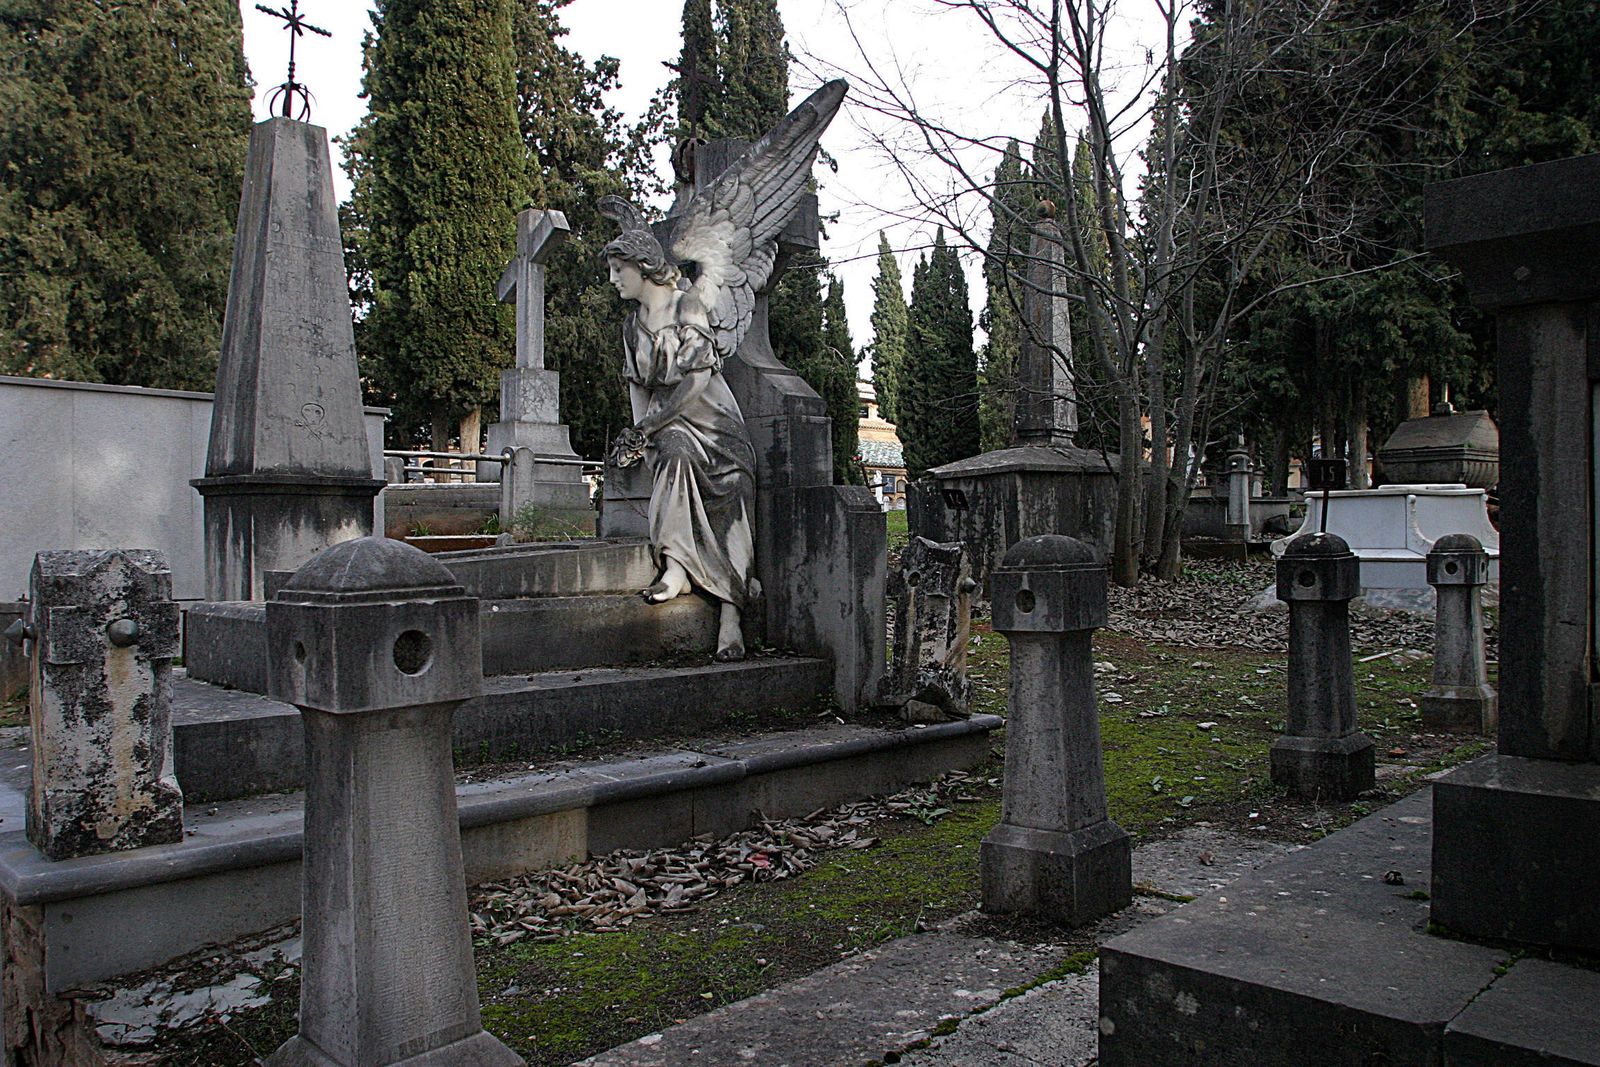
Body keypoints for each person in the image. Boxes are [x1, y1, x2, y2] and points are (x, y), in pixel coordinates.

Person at [603, 229, 756, 662]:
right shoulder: (633, 326)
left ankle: (731, 612)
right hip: (669, 428)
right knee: (672, 454)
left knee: (733, 495)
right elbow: (637, 385)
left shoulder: (686, 305)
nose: (614, 280)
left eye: (619, 270)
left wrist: (649, 425)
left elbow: (697, 378)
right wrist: (641, 437)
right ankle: (675, 568)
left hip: (715, 423)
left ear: (643, 266)